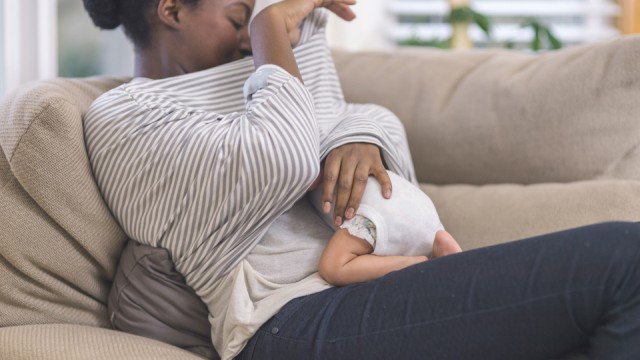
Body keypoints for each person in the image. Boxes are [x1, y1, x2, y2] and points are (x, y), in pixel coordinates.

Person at [81, 1, 640, 360]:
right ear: (172, 9)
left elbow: (375, 155)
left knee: (593, 320)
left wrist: (361, 134)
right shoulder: (126, 117)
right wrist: (269, 23)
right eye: (237, 17)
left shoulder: (260, 78)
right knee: (623, 257)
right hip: (285, 324)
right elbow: (287, 158)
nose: (251, 40)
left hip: (368, 293)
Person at [310, 170, 462, 286]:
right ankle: (438, 244)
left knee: (332, 267)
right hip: (418, 206)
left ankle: (412, 264)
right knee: (425, 234)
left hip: (379, 215)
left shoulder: (309, 154)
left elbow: (304, 173)